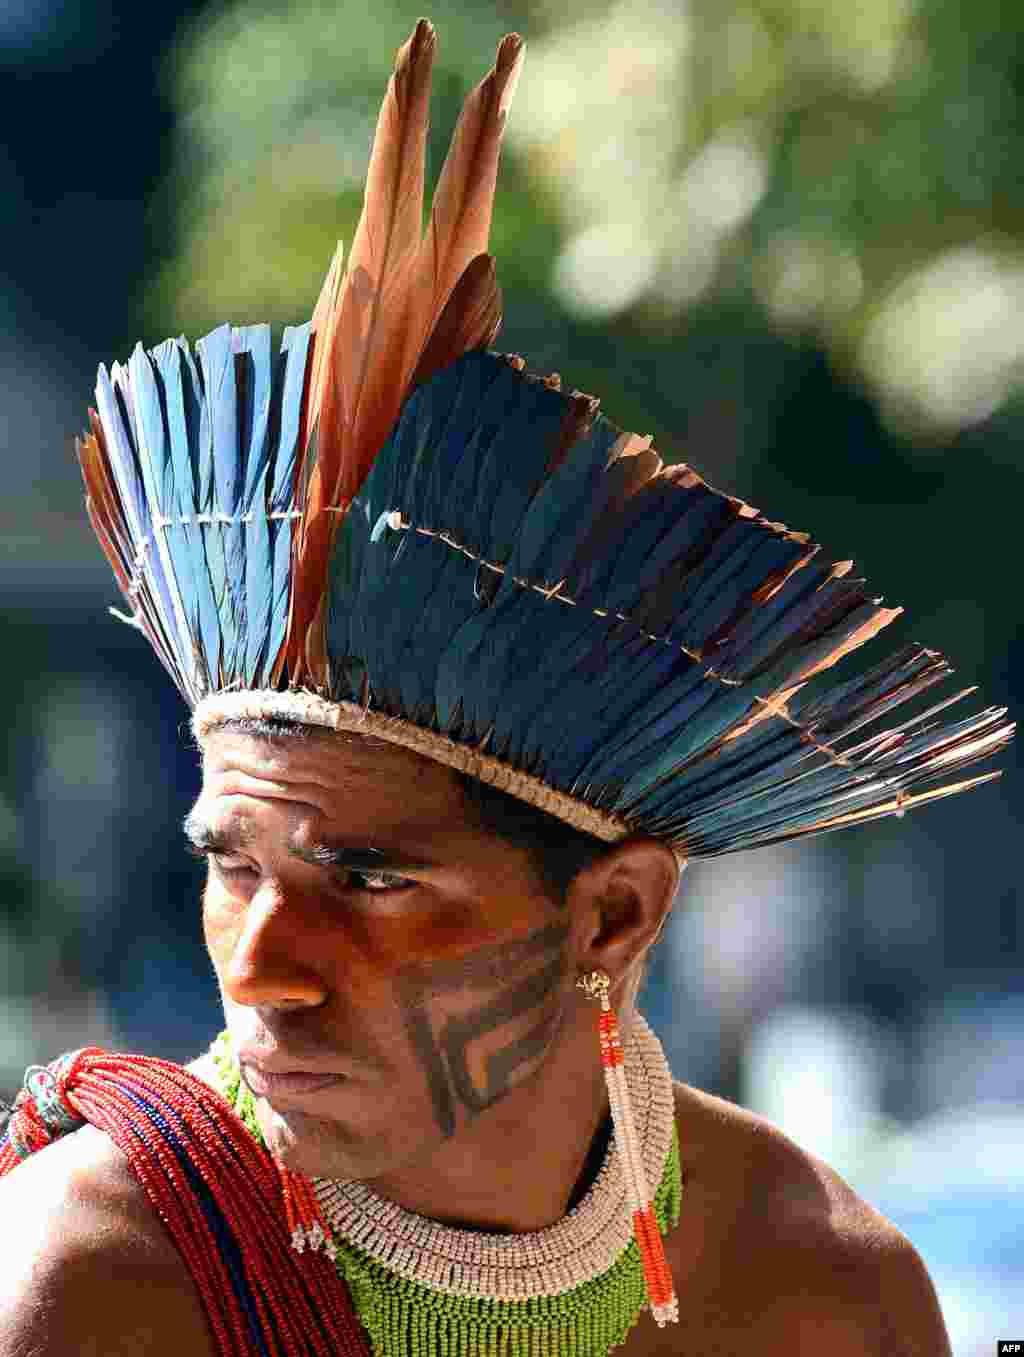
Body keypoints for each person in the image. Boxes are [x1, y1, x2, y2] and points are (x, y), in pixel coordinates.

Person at [0, 19, 1012, 1357]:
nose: (260, 963)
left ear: (614, 913)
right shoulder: (85, 1284)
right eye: (233, 864)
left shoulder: (821, 1293)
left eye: (367, 878)